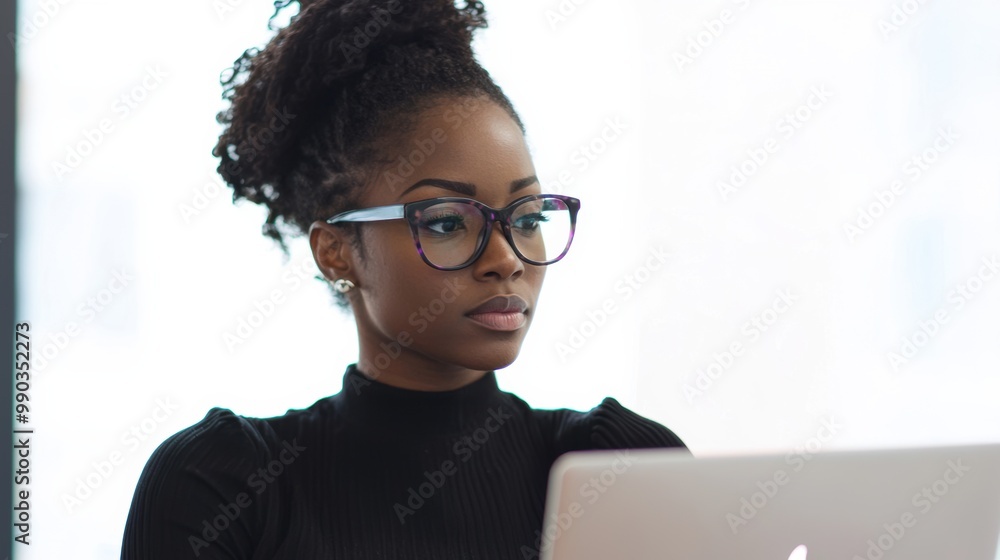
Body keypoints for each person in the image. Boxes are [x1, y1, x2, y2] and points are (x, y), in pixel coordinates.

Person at [120, 1, 687, 558]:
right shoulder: (222, 485)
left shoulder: (619, 465)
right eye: (445, 222)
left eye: (528, 217)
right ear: (338, 253)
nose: (507, 258)